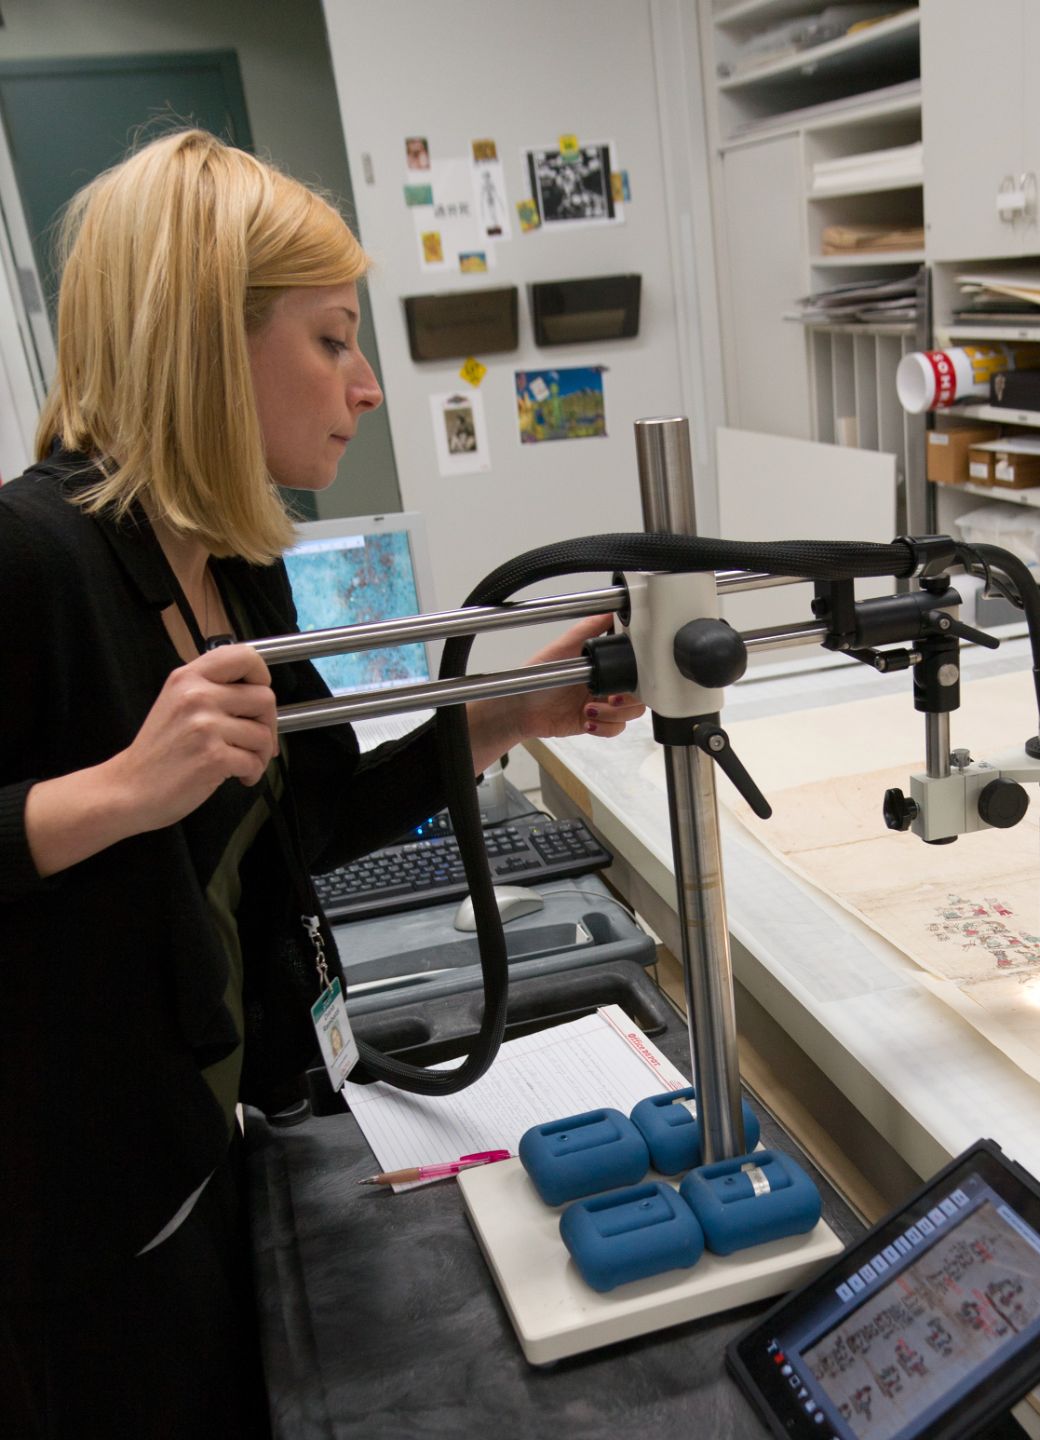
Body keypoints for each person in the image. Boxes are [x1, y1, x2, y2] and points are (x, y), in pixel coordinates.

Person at [0, 130, 643, 1436]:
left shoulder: (236, 570)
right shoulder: (29, 559)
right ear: (204, 344)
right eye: (332, 340)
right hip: (78, 1240)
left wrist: (509, 711)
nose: (365, 387)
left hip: (214, 1145)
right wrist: (123, 790)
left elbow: (314, 815)